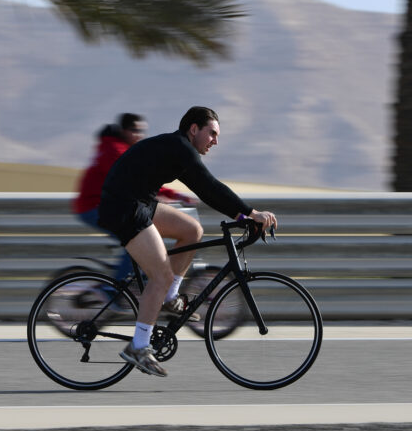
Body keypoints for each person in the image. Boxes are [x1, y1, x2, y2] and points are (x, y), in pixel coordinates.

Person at [98, 106, 278, 377]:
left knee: (192, 230)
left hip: (139, 202)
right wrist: (250, 213)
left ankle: (170, 297)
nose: (215, 141)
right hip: (124, 208)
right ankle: (138, 346)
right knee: (160, 276)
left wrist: (243, 215)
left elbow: (207, 191)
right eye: (212, 133)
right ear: (194, 129)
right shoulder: (181, 148)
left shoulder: (178, 149)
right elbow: (210, 187)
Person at [72, 113, 197, 317]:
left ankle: (131, 285)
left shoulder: (123, 148)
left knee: (141, 239)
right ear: (124, 131)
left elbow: (145, 180)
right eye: (135, 130)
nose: (140, 135)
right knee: (135, 241)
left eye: (142, 131)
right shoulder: (114, 150)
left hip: (103, 205)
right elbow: (137, 180)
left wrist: (173, 195)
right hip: (93, 207)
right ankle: (110, 290)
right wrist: (171, 195)